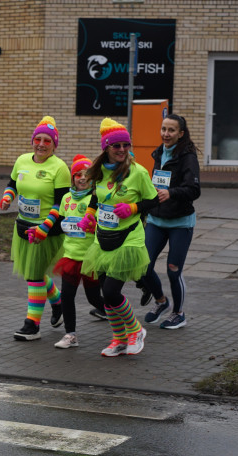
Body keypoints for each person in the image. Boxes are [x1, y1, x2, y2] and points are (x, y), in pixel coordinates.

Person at [78, 118, 159, 356]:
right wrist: (89, 216)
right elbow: (96, 198)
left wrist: (133, 208)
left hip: (128, 239)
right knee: (106, 294)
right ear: (106, 148)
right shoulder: (100, 171)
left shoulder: (138, 172)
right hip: (103, 238)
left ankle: (135, 331)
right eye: (116, 146)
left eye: (126, 145)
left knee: (112, 292)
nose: (122, 150)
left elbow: (153, 200)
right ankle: (119, 338)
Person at [0, 116, 69, 341]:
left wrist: (46, 226)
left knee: (34, 276)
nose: (41, 144)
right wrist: (7, 197)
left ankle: (32, 325)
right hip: (23, 226)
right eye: (37, 139)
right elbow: (12, 184)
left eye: (47, 141)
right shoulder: (22, 161)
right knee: (35, 273)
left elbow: (61, 203)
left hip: (46, 230)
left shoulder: (59, 168)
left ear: (54, 145)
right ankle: (57, 302)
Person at [139, 114, 202, 330]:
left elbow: (194, 190)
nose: (166, 134)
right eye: (164, 129)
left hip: (180, 222)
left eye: (171, 130)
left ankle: (178, 313)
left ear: (181, 134)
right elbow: (156, 183)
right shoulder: (159, 153)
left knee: (173, 270)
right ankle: (160, 301)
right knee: (142, 265)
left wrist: (171, 193)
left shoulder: (188, 157)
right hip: (157, 219)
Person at [51, 154, 107, 349]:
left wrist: (94, 225)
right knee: (67, 296)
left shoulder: (96, 197)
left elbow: (101, 224)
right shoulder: (67, 198)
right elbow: (60, 224)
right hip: (70, 257)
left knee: (94, 297)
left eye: (86, 174)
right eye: (77, 174)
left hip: (90, 257)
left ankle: (111, 312)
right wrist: (41, 232)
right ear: (72, 178)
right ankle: (70, 335)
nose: (82, 178)